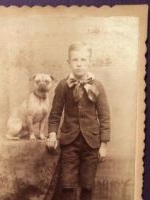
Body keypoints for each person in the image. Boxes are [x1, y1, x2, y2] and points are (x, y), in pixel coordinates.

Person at [46, 41, 110, 200]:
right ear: (69, 62)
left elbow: (104, 116)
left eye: (83, 60)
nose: (79, 64)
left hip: (92, 143)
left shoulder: (97, 86)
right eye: (75, 60)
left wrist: (104, 144)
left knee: (87, 185)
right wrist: (52, 135)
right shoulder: (63, 85)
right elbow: (55, 114)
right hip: (69, 143)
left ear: (89, 61)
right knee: (67, 185)